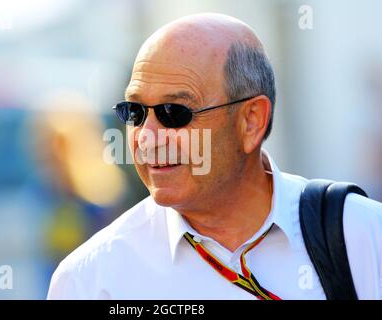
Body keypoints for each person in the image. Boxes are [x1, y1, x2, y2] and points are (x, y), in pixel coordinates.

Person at [47, 13, 382, 300]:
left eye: (173, 112)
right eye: (135, 112)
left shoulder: (365, 236)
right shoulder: (89, 280)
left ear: (251, 121)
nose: (146, 137)